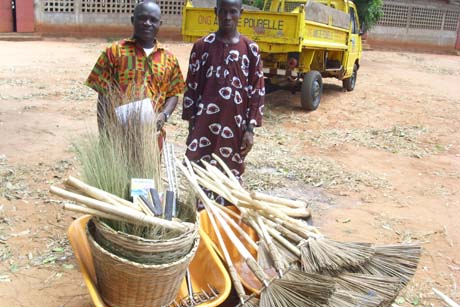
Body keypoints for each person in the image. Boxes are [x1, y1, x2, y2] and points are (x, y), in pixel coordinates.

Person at [182, 0, 265, 180]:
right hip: (204, 123)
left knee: (230, 173)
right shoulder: (202, 46)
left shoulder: (250, 49)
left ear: (241, 12)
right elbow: (192, 88)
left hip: (236, 125)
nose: (227, 17)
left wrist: (250, 129)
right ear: (215, 12)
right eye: (223, 12)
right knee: (200, 170)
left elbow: (257, 91)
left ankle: (228, 209)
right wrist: (191, 126)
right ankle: (201, 208)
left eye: (233, 12)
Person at [86, 1, 185, 132]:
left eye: (153, 20)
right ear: (133, 20)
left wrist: (164, 115)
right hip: (118, 134)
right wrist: (104, 136)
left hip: (152, 137)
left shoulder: (169, 59)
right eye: (142, 18)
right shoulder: (114, 52)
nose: (147, 23)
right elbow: (102, 96)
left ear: (159, 24)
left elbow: (174, 93)